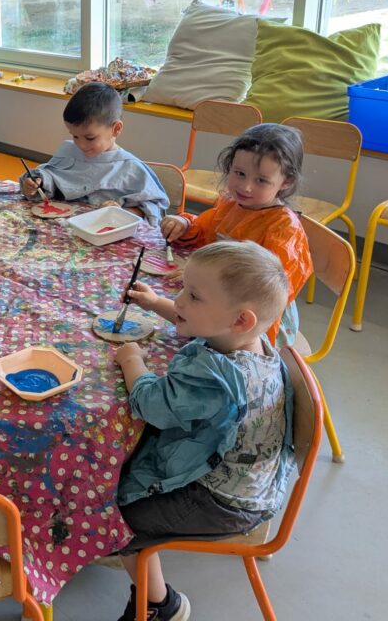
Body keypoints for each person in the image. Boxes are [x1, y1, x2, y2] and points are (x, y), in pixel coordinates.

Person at [113, 240, 295, 621]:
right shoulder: (252, 341)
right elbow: (203, 323)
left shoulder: (214, 377)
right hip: (255, 486)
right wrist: (158, 304)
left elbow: (152, 404)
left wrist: (132, 361)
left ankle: (160, 605)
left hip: (222, 501)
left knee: (115, 514)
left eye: (192, 296)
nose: (179, 300)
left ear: (240, 320)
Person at [161, 123, 312, 348]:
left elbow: (268, 293)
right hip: (216, 298)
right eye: (239, 174)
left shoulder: (284, 229)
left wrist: (205, 280)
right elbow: (205, 230)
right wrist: (184, 224)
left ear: (286, 181)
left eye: (261, 180)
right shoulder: (230, 204)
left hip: (255, 323)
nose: (245, 187)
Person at [18, 83, 169, 225]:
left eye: (90, 138)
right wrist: (37, 184)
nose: (81, 145)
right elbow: (53, 177)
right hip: (64, 230)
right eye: (75, 136)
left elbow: (153, 209)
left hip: (106, 235)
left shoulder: (132, 168)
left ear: (116, 129)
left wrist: (121, 211)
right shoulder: (69, 151)